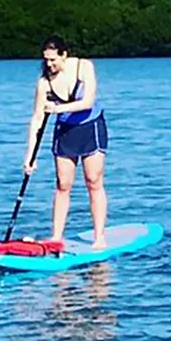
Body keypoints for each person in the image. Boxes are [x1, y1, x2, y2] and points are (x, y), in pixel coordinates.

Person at [24, 35, 108, 249]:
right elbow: (36, 119)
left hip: (91, 127)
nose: (49, 64)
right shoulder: (44, 84)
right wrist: (29, 157)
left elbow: (87, 102)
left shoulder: (83, 67)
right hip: (66, 131)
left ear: (64, 54)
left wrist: (57, 109)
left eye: (53, 60)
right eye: (46, 60)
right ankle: (56, 236)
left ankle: (99, 237)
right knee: (63, 184)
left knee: (93, 181)